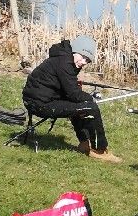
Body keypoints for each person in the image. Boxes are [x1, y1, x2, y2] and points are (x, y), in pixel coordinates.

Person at [22, 35, 122, 163]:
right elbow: (73, 93)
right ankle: (99, 150)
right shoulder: (65, 63)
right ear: (76, 51)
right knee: (91, 108)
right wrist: (90, 99)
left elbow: (70, 92)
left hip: (38, 99)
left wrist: (83, 98)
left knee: (79, 106)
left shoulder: (63, 58)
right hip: (39, 104)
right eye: (83, 57)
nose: (83, 63)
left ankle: (84, 143)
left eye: (87, 61)